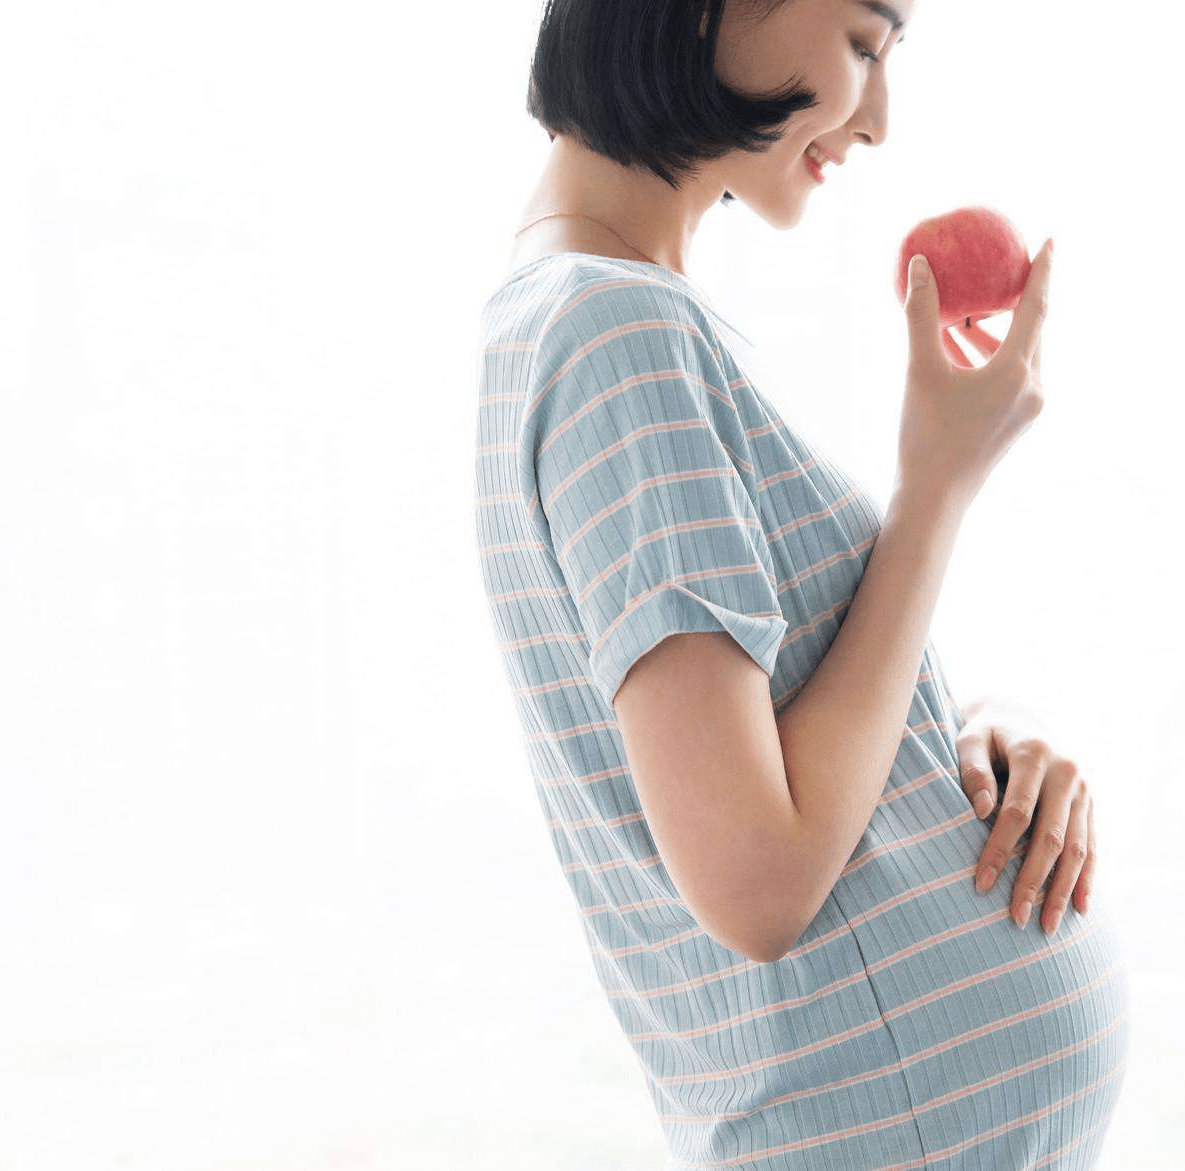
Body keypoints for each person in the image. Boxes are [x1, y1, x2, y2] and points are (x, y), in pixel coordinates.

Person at [472, 0, 1130, 1165]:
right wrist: (935, 492)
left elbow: (781, 733)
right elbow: (759, 875)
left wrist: (965, 736)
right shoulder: (616, 338)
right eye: (864, 46)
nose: (875, 119)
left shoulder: (610, 317)